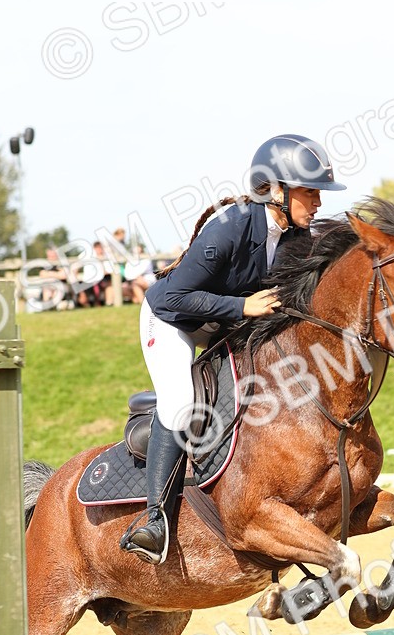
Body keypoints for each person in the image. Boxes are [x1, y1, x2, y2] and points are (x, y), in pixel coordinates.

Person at [121, 133, 346, 564]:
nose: (318, 202)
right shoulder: (230, 227)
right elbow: (174, 297)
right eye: (310, 191)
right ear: (276, 190)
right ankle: (154, 521)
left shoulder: (297, 238)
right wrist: (242, 306)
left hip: (224, 324)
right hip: (172, 320)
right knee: (181, 402)